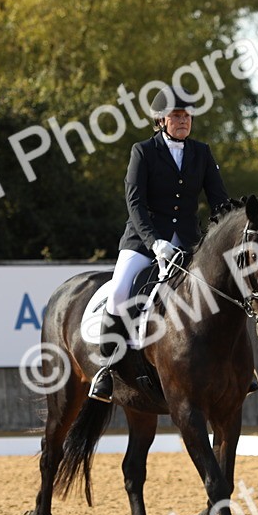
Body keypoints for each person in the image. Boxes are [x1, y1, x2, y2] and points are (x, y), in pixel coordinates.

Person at [88, 85, 233, 403]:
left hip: (189, 243)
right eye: (177, 115)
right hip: (144, 241)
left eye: (187, 116)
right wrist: (154, 242)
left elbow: (219, 201)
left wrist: (232, 224)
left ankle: (237, 366)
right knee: (120, 292)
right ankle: (107, 370)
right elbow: (135, 203)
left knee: (223, 289)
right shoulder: (143, 151)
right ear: (161, 119)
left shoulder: (201, 152)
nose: (184, 121)